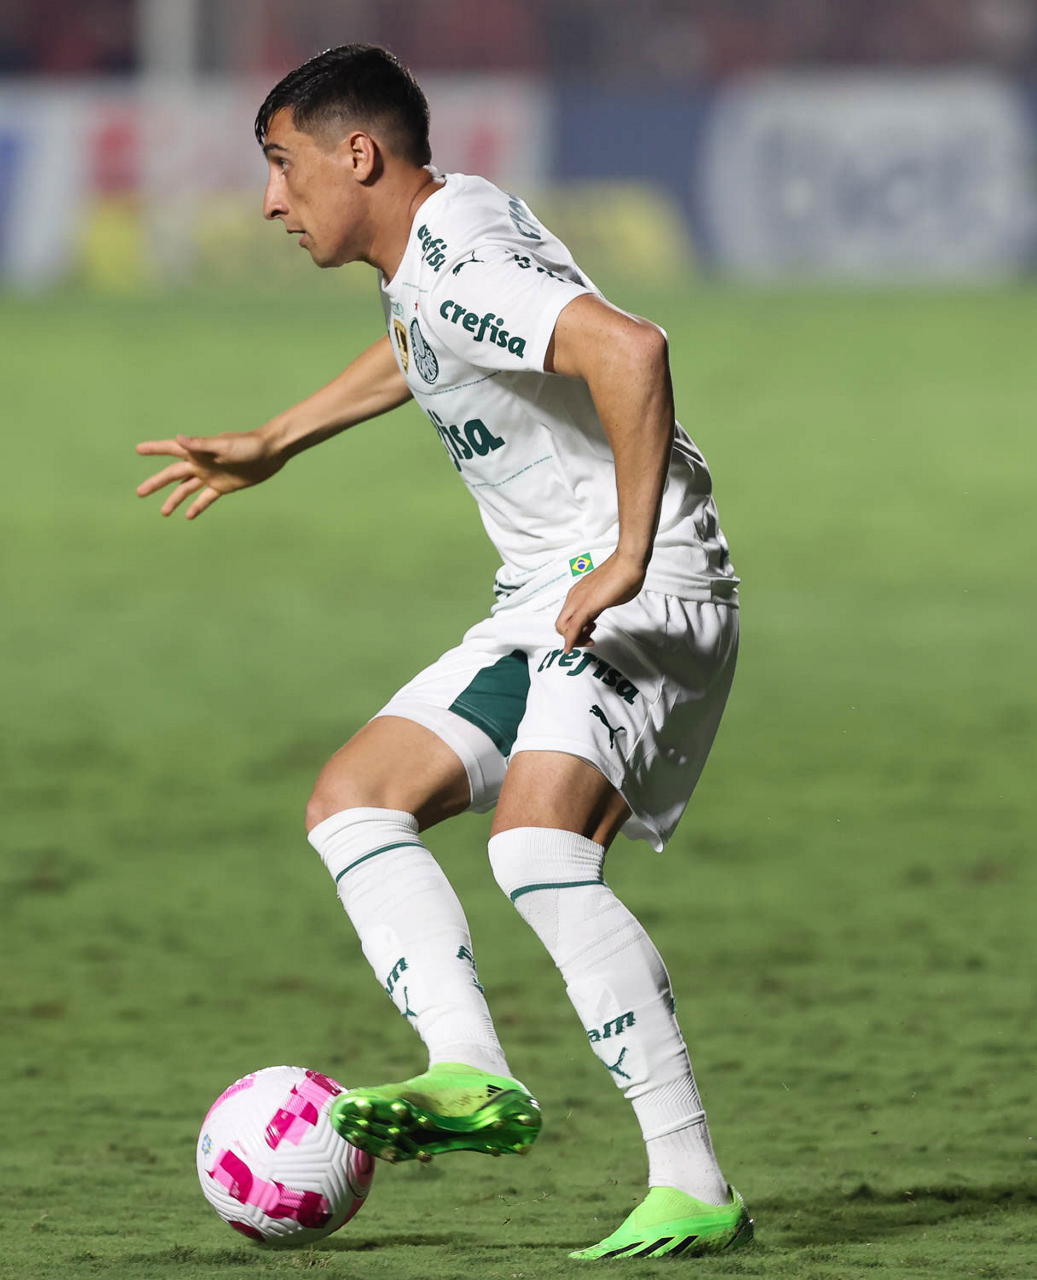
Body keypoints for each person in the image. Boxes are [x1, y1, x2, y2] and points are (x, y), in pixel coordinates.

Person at [136, 44, 752, 1261]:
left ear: (358, 155)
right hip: (545, 594)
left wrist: (628, 553)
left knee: (534, 844)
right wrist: (279, 437)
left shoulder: (460, 255)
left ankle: (690, 1178)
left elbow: (630, 349)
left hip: (632, 587)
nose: (269, 200)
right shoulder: (439, 245)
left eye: (282, 164)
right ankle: (467, 1066)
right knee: (353, 798)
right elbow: (429, 335)